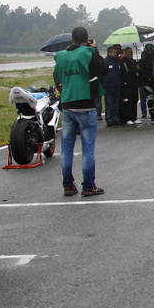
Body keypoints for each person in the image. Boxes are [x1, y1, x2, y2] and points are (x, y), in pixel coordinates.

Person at [53, 27, 106, 196]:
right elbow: (103, 68)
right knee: (87, 149)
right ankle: (88, 185)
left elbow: (57, 75)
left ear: (72, 39)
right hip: (86, 104)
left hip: (67, 104)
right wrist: (94, 49)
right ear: (87, 39)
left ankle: (68, 184)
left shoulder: (60, 56)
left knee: (67, 148)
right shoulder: (88, 53)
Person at [119, 46, 140, 125]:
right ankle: (127, 118)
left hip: (134, 84)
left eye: (131, 52)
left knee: (134, 100)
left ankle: (134, 117)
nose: (130, 54)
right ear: (124, 53)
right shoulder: (124, 62)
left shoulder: (133, 61)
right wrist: (136, 69)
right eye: (128, 52)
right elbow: (127, 72)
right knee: (128, 101)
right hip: (127, 85)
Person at [101, 44, 122, 126]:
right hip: (108, 86)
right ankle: (108, 119)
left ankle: (115, 118)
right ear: (109, 53)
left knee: (116, 104)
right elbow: (102, 74)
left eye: (116, 53)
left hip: (117, 85)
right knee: (109, 104)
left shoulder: (117, 61)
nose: (115, 54)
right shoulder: (105, 62)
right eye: (114, 52)